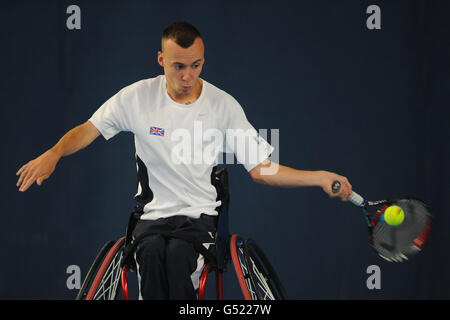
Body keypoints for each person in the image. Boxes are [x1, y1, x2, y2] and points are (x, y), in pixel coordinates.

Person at [15, 21, 352, 299]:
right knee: (149, 253)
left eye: (196, 65)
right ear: (161, 59)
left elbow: (262, 170)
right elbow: (88, 130)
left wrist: (319, 176)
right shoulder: (136, 98)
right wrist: (54, 152)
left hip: (199, 217)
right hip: (151, 217)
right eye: (178, 66)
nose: (188, 76)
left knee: (177, 256)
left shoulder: (223, 106)